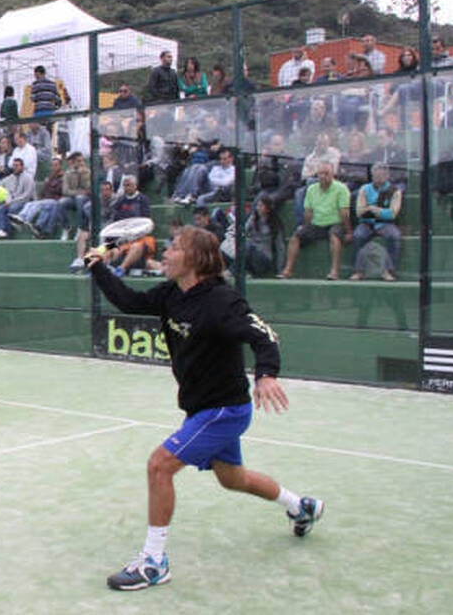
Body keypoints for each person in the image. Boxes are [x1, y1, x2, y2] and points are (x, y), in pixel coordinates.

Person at [84, 225, 322, 590]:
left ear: (195, 259)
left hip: (224, 410)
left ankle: (153, 561)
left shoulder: (221, 301)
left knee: (159, 465)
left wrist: (267, 374)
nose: (165, 252)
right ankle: (300, 506)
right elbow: (130, 302)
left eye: (174, 248)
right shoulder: (171, 294)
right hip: (202, 409)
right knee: (233, 479)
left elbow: (264, 335)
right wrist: (99, 267)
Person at [279, 162, 351, 280]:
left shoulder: (342, 188)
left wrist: (348, 231)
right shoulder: (311, 189)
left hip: (335, 223)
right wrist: (305, 227)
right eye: (320, 174)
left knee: (334, 236)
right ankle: (287, 270)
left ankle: (334, 272)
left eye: (326, 173)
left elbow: (344, 212)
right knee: (295, 238)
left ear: (333, 174)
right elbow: (308, 212)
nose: (323, 176)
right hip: (316, 224)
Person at [349, 163, 402, 281]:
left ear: (387, 175)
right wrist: (382, 212)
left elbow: (393, 213)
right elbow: (360, 212)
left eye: (382, 175)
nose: (378, 177)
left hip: (386, 223)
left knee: (394, 236)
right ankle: (358, 271)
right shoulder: (364, 189)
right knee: (358, 235)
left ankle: (388, 271)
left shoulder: (395, 191)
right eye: (376, 175)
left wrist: (372, 209)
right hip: (366, 223)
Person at [0, 158, 34, 239]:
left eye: (17, 165)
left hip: (25, 202)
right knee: (1, 208)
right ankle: (0, 230)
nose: (15, 167)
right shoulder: (10, 178)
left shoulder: (28, 178)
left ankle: (8, 232)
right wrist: (8, 200)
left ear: (22, 167)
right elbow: (7, 191)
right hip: (12, 202)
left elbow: (27, 195)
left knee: (12, 208)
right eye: (14, 165)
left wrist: (12, 201)